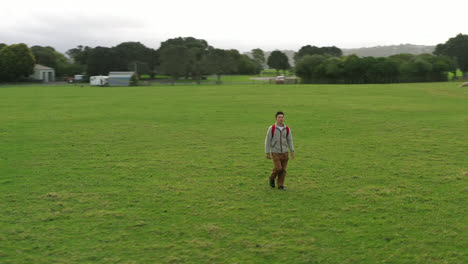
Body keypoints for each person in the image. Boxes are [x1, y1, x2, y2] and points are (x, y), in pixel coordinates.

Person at [264, 111, 295, 190]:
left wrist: (292, 150)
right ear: (276, 118)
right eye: (279, 117)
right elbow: (268, 140)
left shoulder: (287, 129)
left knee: (283, 170)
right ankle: (272, 178)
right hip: (275, 152)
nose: (281, 119)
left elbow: (290, 140)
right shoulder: (272, 128)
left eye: (282, 117)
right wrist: (267, 152)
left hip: (285, 152)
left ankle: (280, 185)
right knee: (278, 168)